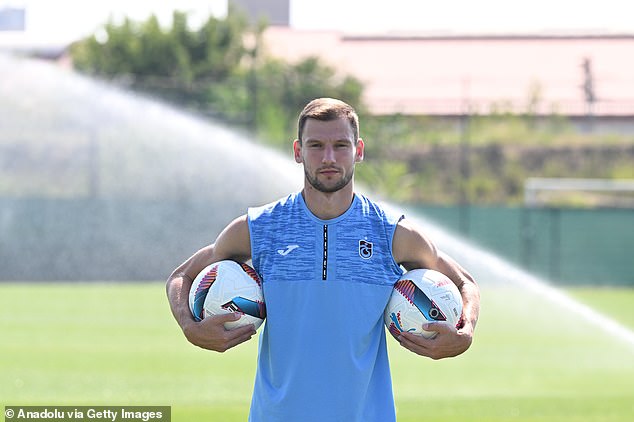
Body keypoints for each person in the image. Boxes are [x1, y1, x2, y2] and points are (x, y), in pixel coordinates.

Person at [166, 98, 480, 422]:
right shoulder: (262, 227)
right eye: (316, 145)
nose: (328, 157)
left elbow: (463, 281)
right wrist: (190, 327)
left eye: (340, 145)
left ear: (358, 150)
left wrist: (465, 330)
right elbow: (182, 276)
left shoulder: (391, 233)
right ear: (298, 151)